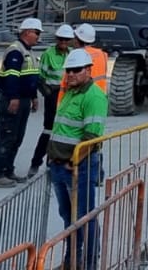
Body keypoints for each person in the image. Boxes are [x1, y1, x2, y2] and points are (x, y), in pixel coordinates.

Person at [47, 48, 108, 270]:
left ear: (88, 70)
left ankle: (89, 263)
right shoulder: (70, 92)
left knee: (84, 217)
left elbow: (91, 138)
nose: (71, 74)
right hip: (59, 166)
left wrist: (72, 162)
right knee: (68, 216)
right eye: (68, 70)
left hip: (78, 168)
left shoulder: (94, 97)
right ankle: (72, 259)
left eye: (76, 70)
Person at [0, 16, 42, 187]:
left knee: (17, 138)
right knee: (8, 136)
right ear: (26, 32)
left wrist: (33, 97)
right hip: (12, 100)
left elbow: (30, 77)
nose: (39, 36)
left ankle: (7, 170)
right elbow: (12, 76)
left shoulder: (28, 52)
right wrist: (13, 97)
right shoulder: (15, 51)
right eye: (36, 32)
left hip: (23, 99)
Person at [30, 23, 76, 177]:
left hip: (67, 96)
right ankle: (35, 163)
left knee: (63, 131)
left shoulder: (72, 53)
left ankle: (53, 163)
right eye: (61, 39)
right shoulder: (48, 54)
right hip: (53, 95)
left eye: (66, 40)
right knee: (49, 130)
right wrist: (47, 93)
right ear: (57, 39)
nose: (63, 42)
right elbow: (40, 78)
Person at [72, 24, 109, 94]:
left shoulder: (77, 56)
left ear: (77, 40)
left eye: (75, 37)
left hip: (84, 96)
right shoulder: (103, 54)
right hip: (100, 95)